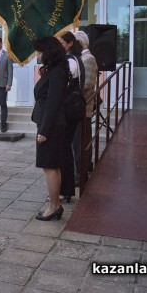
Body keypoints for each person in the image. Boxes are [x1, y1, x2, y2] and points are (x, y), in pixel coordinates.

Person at [32, 36, 69, 221]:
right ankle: (55, 204)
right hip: (49, 123)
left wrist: (44, 131)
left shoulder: (56, 72)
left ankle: (54, 206)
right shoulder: (54, 70)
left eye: (40, 51)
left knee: (50, 166)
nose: (38, 55)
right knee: (51, 166)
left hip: (51, 125)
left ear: (49, 52)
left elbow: (53, 103)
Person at [57, 31, 82, 202]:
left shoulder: (70, 61)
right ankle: (65, 189)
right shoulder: (74, 60)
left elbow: (65, 85)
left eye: (61, 43)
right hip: (72, 109)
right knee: (65, 149)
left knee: (64, 150)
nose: (59, 46)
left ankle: (66, 189)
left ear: (70, 43)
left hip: (68, 111)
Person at [72, 31, 98, 185]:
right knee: (79, 141)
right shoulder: (81, 58)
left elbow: (86, 84)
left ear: (80, 43)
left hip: (82, 106)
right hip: (78, 106)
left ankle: (81, 173)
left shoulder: (88, 58)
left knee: (81, 142)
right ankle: (83, 169)